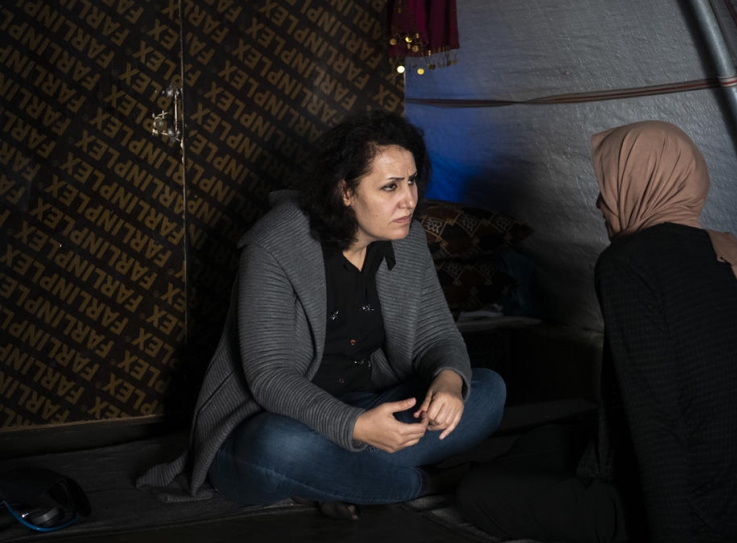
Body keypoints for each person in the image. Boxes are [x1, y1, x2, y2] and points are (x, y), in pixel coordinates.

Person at [137, 111, 506, 519]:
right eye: (389, 187)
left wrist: (449, 383)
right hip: (279, 419)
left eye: (411, 181)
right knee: (279, 448)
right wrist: (355, 427)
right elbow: (269, 377)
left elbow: (437, 335)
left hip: (372, 401)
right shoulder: (274, 244)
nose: (409, 200)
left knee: (487, 391)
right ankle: (421, 484)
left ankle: (325, 478)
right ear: (345, 191)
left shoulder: (408, 238)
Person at [457, 120, 737, 542]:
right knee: (546, 440)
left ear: (640, 183)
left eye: (608, 184)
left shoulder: (629, 264)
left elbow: (656, 419)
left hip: (690, 516)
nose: (599, 201)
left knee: (478, 492)